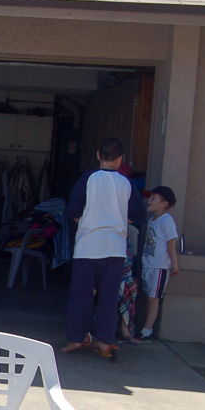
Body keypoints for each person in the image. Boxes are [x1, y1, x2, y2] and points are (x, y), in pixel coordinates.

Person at [63, 137, 147, 356]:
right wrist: (121, 221)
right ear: (121, 159)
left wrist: (82, 222)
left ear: (98, 156)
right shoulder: (125, 183)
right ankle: (104, 340)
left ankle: (75, 339)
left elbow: (72, 209)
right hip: (115, 248)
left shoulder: (88, 179)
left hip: (88, 247)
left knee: (81, 295)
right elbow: (140, 213)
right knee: (109, 296)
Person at [139, 185, 181, 340]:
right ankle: (144, 326)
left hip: (159, 266)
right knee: (147, 296)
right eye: (149, 197)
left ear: (164, 204)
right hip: (147, 264)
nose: (149, 200)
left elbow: (171, 244)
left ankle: (147, 329)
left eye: (154, 198)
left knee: (153, 298)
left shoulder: (166, 220)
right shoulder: (152, 220)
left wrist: (174, 265)